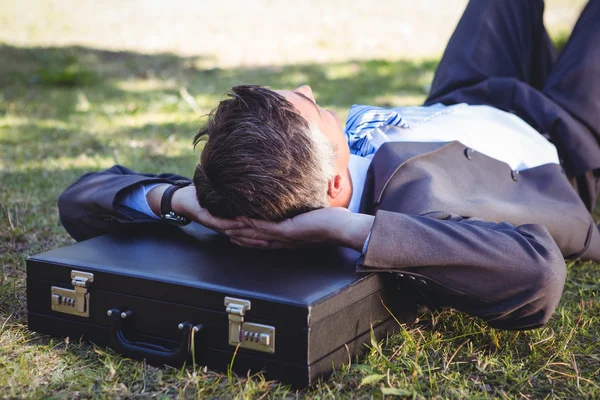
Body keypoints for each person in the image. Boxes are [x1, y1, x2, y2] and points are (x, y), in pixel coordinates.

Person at [58, 0, 600, 330]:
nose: (310, 88)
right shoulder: (416, 211)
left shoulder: (251, 185)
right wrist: (347, 227)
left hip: (463, 95)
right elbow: (538, 276)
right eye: (313, 107)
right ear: (337, 184)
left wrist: (179, 201)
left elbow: (78, 199)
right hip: (568, 140)